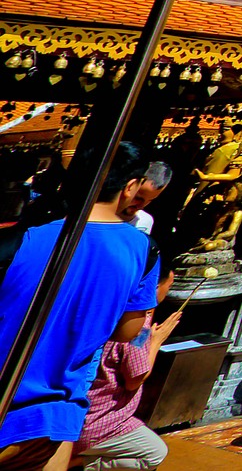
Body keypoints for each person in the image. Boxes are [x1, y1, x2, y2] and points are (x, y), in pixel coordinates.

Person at [0, 146, 167, 471]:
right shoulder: (144, 250)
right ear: (130, 186)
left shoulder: (20, 241)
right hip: (54, 418)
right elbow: (128, 331)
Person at [75, 262, 182, 471]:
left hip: (81, 408)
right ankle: (83, 464)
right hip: (100, 420)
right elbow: (135, 378)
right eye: (169, 286)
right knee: (154, 453)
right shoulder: (138, 325)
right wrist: (156, 342)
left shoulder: (106, 305)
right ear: (155, 286)